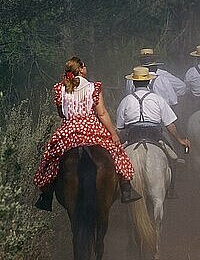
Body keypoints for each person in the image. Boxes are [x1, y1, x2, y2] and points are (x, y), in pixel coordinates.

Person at [34, 56, 141, 211]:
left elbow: (61, 114)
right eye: (85, 66)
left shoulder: (60, 88)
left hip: (69, 130)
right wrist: (113, 134)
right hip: (92, 128)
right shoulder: (93, 87)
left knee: (53, 158)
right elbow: (102, 113)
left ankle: (46, 195)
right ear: (82, 69)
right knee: (116, 153)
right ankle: (126, 188)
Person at [117, 66, 190, 198]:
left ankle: (124, 191)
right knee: (172, 157)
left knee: (116, 161)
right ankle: (171, 190)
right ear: (148, 82)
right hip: (155, 134)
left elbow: (120, 128)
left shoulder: (126, 100)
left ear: (133, 82)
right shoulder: (158, 99)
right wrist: (180, 139)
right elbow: (170, 125)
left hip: (132, 135)